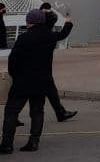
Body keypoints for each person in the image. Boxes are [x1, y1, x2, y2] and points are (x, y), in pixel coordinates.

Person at [1, 8, 75, 153]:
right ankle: (33, 142)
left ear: (30, 22)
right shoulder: (50, 37)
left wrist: (15, 76)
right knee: (37, 112)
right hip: (42, 81)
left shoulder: (23, 38)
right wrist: (68, 23)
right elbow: (63, 35)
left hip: (22, 81)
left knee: (11, 111)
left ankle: (7, 144)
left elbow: (13, 61)